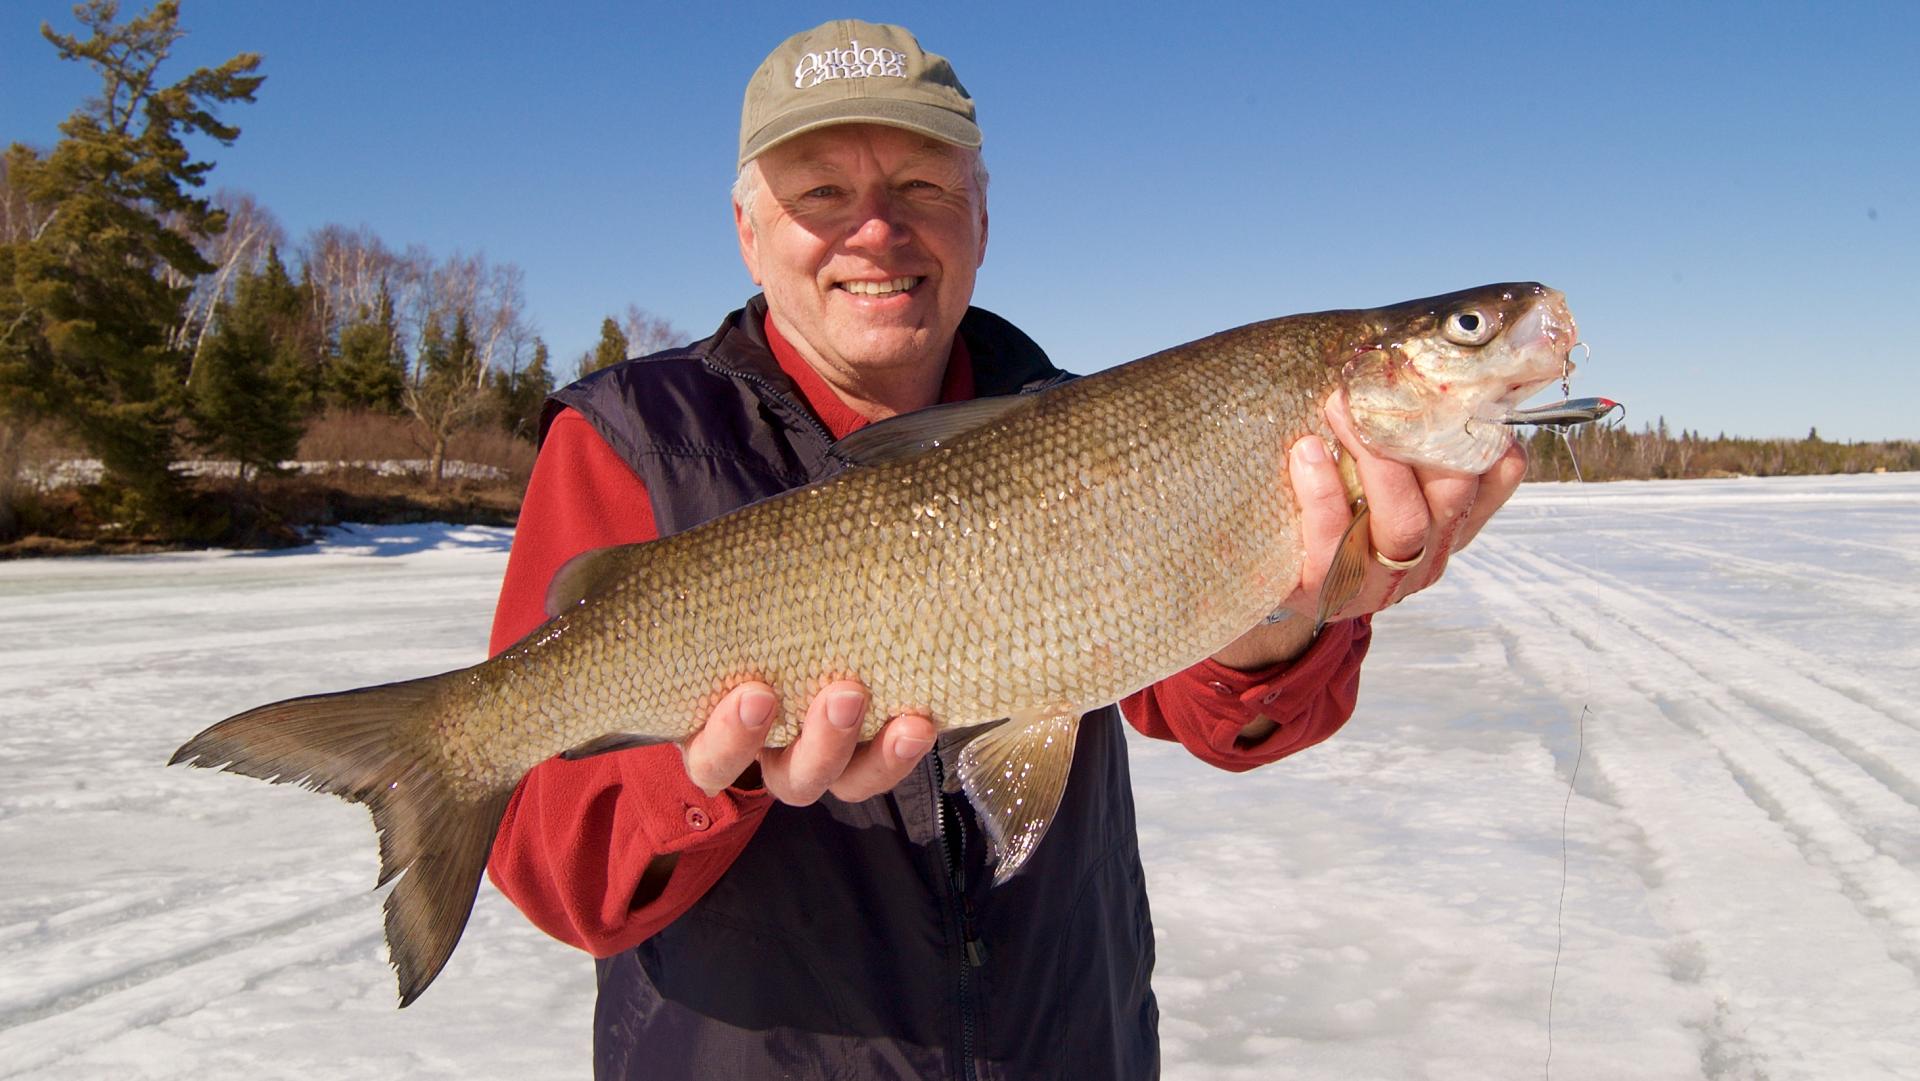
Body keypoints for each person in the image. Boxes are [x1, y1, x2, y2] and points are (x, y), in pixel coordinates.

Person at [485, 19, 1526, 1080]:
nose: (877, 230)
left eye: (924, 186)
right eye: (822, 194)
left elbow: (1208, 709)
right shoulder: (628, 439)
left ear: (982, 215)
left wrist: (1288, 613)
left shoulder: (1087, 419)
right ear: (750, 233)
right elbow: (550, 860)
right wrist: (712, 773)